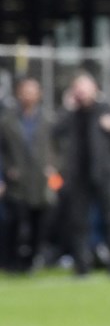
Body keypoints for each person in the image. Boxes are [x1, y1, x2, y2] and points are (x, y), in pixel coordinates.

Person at [53, 73, 110, 278]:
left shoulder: (108, 108)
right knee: (79, 221)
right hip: (78, 174)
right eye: (78, 89)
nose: (82, 93)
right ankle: (82, 266)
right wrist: (67, 108)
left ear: (95, 89)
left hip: (105, 173)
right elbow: (54, 130)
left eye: (85, 88)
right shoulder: (72, 114)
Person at [0, 76, 55, 275]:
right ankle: (11, 262)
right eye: (25, 91)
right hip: (16, 181)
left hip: (40, 181)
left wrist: (54, 167)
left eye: (32, 91)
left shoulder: (48, 119)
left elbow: (58, 148)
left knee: (39, 221)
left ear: (39, 94)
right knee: (13, 221)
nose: (29, 95)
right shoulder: (7, 121)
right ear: (18, 93)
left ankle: (32, 260)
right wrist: (5, 172)